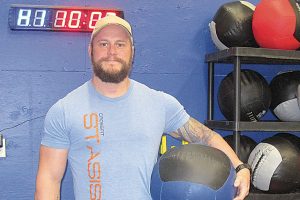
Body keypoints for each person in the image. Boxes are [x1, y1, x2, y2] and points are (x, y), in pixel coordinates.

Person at [35, 15, 250, 200]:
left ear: (132, 51)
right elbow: (49, 179)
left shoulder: (159, 103)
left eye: (120, 44)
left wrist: (240, 167)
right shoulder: (64, 110)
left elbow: (206, 136)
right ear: (90, 50)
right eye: (103, 44)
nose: (112, 51)